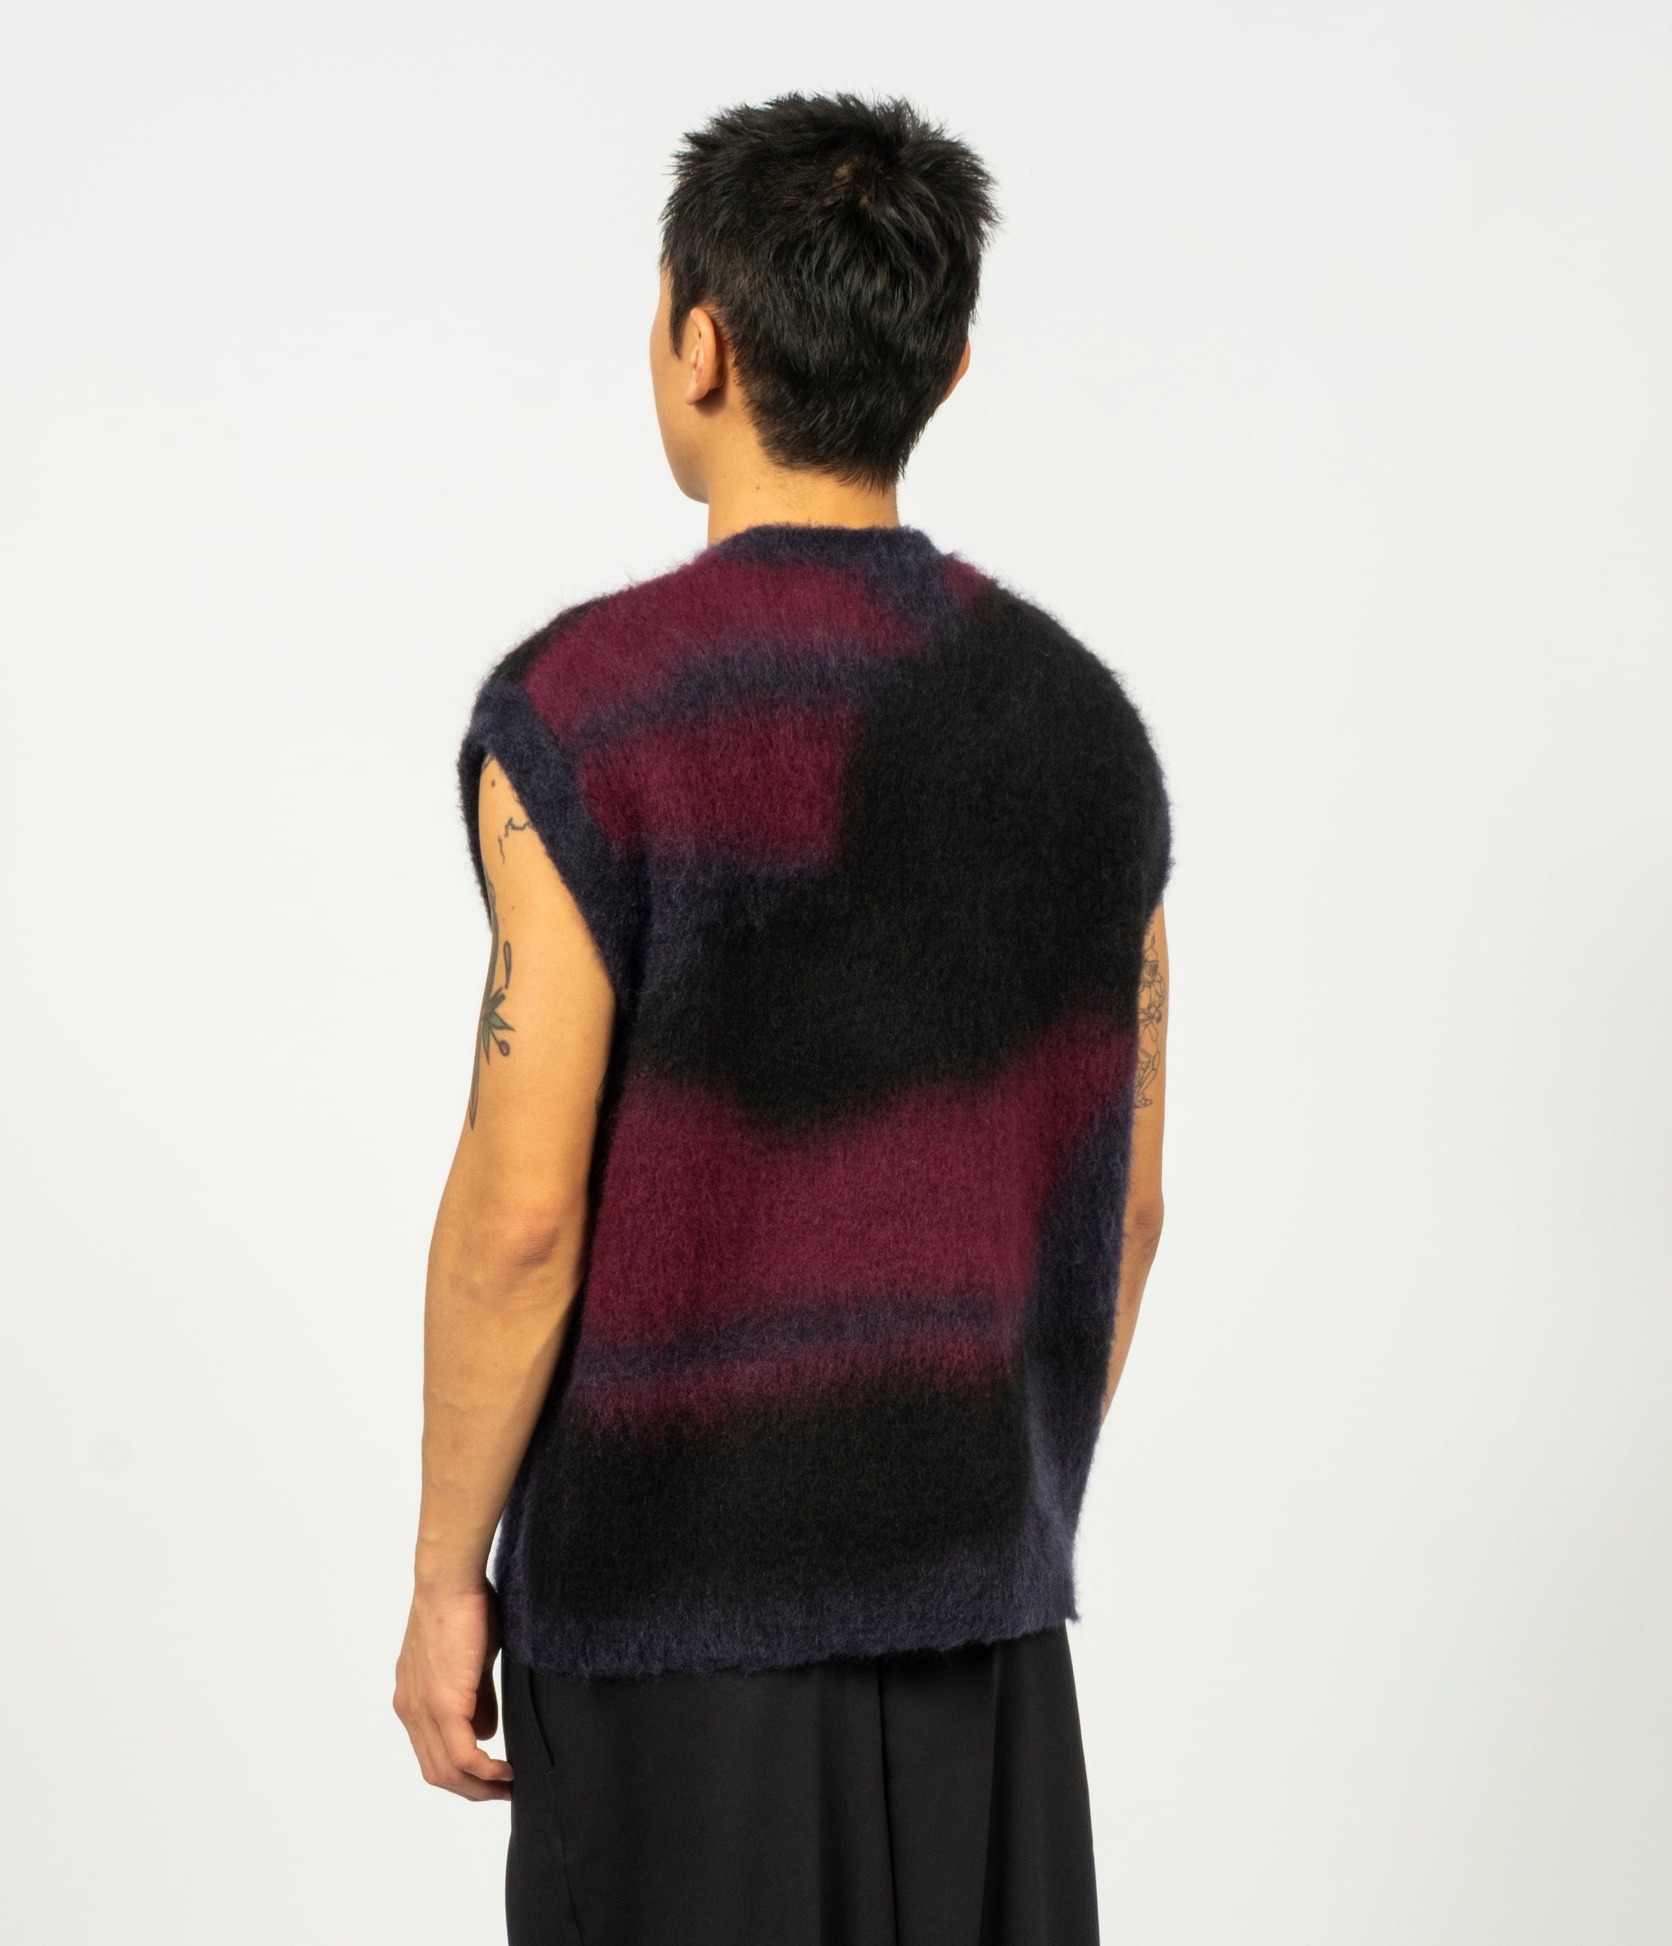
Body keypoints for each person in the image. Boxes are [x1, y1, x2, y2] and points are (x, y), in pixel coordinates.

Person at [393, 91, 1174, 1946]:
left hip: (669, 1637)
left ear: (699, 342)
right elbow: (1126, 1206)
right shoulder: (1083, 731)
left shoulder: (585, 713)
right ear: (948, 364)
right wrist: (975, 1506)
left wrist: (444, 1576)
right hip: (981, 1628)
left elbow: (520, 1213)